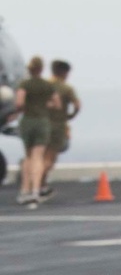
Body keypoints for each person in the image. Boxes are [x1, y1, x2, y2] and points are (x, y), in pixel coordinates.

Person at [14, 56, 56, 208]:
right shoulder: (47, 85)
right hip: (42, 122)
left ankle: (24, 191)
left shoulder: (24, 84)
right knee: (38, 157)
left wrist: (23, 108)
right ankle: (36, 191)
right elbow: (55, 103)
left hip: (28, 121)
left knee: (28, 157)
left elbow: (19, 102)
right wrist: (44, 105)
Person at [41, 60, 81, 198]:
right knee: (49, 158)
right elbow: (77, 105)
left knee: (39, 156)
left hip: (41, 123)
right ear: (64, 72)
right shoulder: (66, 88)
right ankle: (40, 185)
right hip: (57, 126)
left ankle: (38, 185)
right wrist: (70, 116)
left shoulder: (44, 86)